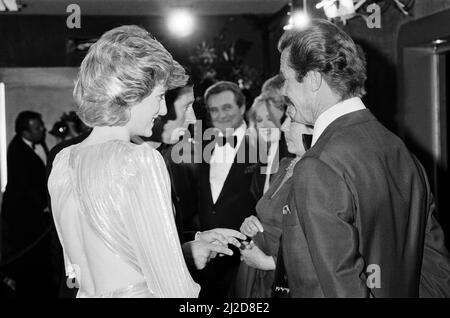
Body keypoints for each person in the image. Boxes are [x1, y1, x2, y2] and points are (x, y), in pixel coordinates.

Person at [47, 25, 236, 298]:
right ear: (132, 94)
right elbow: (172, 281)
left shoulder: (64, 160)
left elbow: (74, 273)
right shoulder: (140, 159)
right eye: (159, 97)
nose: (162, 109)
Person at [277, 19, 450, 297]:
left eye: (285, 78)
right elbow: (437, 272)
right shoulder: (400, 149)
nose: (283, 91)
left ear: (312, 80)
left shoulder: (318, 164)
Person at [233, 116, 312, 298]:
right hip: (257, 276)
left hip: (286, 281)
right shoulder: (285, 164)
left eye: (291, 121)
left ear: (314, 128)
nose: (283, 127)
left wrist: (269, 263)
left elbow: (323, 241)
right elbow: (267, 215)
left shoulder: (316, 174)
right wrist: (251, 224)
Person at [197, 81, 259, 298]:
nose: (220, 115)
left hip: (246, 260)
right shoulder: (201, 147)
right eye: (214, 110)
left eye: (227, 107)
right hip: (206, 262)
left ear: (242, 108)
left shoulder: (262, 145)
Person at [1, 111, 53, 297]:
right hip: (24, 216)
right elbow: (26, 184)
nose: (43, 130)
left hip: (29, 213)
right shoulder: (18, 151)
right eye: (37, 127)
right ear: (26, 133)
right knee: (28, 261)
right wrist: (45, 206)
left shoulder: (32, 145)